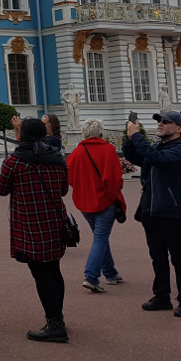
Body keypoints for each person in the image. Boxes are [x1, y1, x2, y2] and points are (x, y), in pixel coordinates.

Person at [0, 117, 70, 343]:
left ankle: (55, 324)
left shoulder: (14, 162)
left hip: (30, 223)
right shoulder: (58, 158)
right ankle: (58, 317)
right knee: (54, 269)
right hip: (55, 220)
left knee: (41, 273)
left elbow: (2, 189)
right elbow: (64, 190)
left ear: (22, 136)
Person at [124, 112, 181, 317]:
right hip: (151, 211)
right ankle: (162, 296)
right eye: (159, 121)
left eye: (165, 122)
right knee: (157, 256)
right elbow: (136, 156)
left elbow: (156, 159)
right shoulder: (157, 147)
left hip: (172, 211)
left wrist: (137, 136)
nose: (160, 124)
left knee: (179, 257)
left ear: (179, 128)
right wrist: (129, 139)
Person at [68, 118, 125, 293]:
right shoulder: (108, 149)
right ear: (100, 132)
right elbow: (114, 179)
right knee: (100, 237)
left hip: (84, 202)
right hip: (105, 201)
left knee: (100, 236)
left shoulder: (77, 152)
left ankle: (110, 273)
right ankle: (91, 276)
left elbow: (69, 176)